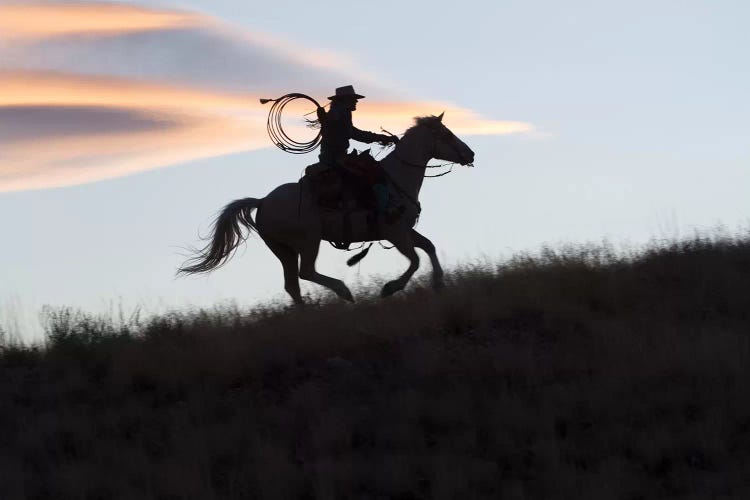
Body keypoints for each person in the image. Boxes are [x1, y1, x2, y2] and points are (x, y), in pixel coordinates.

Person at [316, 85, 399, 217]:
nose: (356, 101)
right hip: (335, 158)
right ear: (344, 100)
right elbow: (348, 131)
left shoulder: (342, 113)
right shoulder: (338, 113)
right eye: (353, 99)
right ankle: (380, 209)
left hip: (336, 156)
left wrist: (382, 138)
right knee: (370, 171)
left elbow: (353, 133)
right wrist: (382, 138)